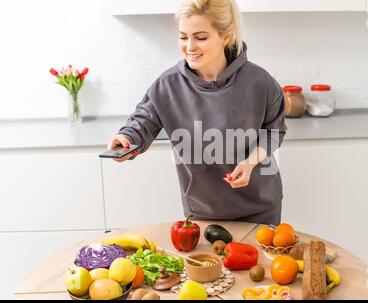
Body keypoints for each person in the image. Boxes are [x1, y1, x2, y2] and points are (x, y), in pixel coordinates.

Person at [107, 0, 286, 225]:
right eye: (183, 37)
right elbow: (142, 123)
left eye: (200, 37)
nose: (190, 46)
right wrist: (127, 139)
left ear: (226, 36)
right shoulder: (167, 86)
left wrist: (249, 163)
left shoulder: (260, 83)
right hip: (203, 212)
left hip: (260, 208)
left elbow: (274, 130)